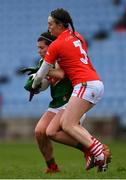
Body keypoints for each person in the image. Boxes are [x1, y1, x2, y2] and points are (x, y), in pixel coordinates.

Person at [32, 8, 111, 172]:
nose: (49, 28)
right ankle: (99, 158)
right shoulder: (77, 36)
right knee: (52, 131)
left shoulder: (57, 45)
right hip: (91, 82)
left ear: (60, 24)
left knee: (68, 124)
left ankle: (100, 152)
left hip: (85, 84)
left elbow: (40, 76)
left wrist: (34, 85)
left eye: (51, 24)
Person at [25, 31, 86, 173]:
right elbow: (46, 82)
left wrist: (41, 73)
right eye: (38, 48)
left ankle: (89, 147)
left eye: (41, 48)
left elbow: (60, 74)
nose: (38, 51)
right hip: (56, 103)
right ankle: (52, 167)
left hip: (72, 101)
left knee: (52, 132)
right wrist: (35, 87)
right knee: (39, 132)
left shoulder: (62, 57)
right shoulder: (43, 63)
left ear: (51, 46)